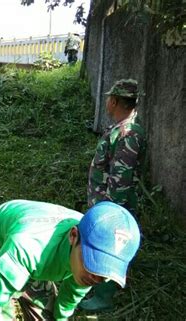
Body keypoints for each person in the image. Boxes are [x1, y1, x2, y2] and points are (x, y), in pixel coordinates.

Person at [0, 200, 141, 321]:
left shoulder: (90, 251)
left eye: (105, 271)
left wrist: (62, 317)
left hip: (38, 257)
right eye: (93, 263)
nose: (97, 278)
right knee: (1, 313)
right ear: (73, 236)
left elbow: (71, 294)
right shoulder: (29, 246)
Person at [80, 79, 146, 312]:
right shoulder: (120, 128)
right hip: (104, 199)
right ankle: (100, 281)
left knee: (108, 241)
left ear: (115, 101)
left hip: (112, 204)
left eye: (109, 98)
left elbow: (121, 176)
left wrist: (109, 212)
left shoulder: (128, 133)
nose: (107, 102)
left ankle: (105, 295)